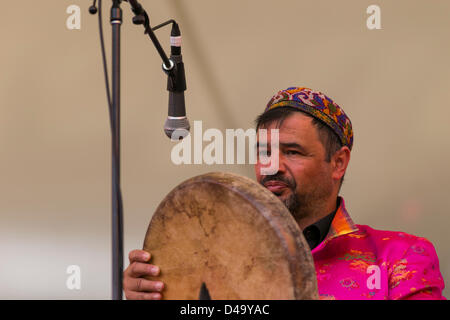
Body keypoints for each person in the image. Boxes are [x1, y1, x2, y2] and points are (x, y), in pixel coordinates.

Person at [123, 87, 446, 300]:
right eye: (263, 152)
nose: (271, 166)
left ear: (338, 162)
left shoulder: (400, 256)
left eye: (292, 152)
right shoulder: (219, 259)